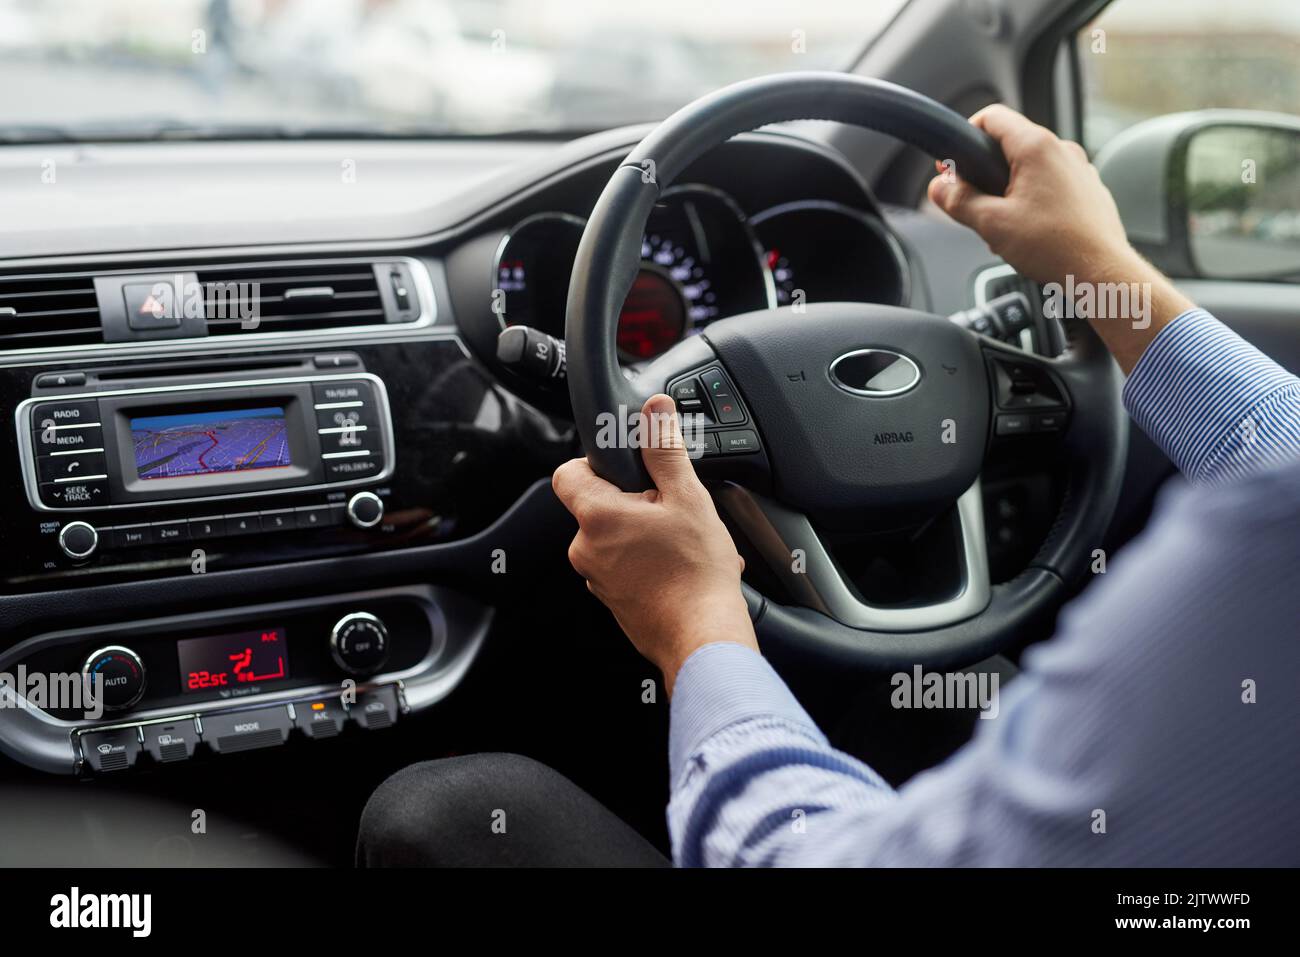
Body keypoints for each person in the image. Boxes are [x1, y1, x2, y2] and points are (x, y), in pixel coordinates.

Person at [357, 105, 1300, 867]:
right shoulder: (1270, 530)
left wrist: (695, 620)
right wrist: (1096, 268)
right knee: (934, 698)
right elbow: (1278, 460)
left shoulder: (1256, 553)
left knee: (442, 813)